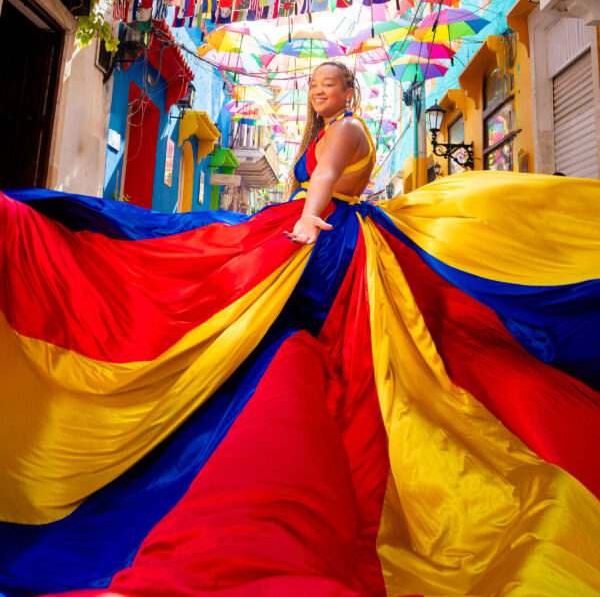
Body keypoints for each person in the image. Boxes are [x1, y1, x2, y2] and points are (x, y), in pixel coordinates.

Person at [0, 60, 599, 597]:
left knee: (198, 262)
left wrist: (305, 226)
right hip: (323, 232)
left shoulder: (347, 130)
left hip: (325, 240)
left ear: (349, 91)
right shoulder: (326, 129)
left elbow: (324, 179)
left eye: (328, 85)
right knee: (207, 261)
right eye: (313, 85)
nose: (318, 92)